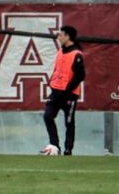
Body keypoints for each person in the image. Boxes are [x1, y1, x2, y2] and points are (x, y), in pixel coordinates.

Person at [41, 26, 85, 156]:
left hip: (69, 95)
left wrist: (67, 91)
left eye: (61, 35)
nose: (58, 37)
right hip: (56, 92)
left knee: (69, 122)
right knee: (48, 116)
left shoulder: (76, 54)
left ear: (67, 37)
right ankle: (54, 145)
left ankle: (68, 150)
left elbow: (80, 76)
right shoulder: (60, 52)